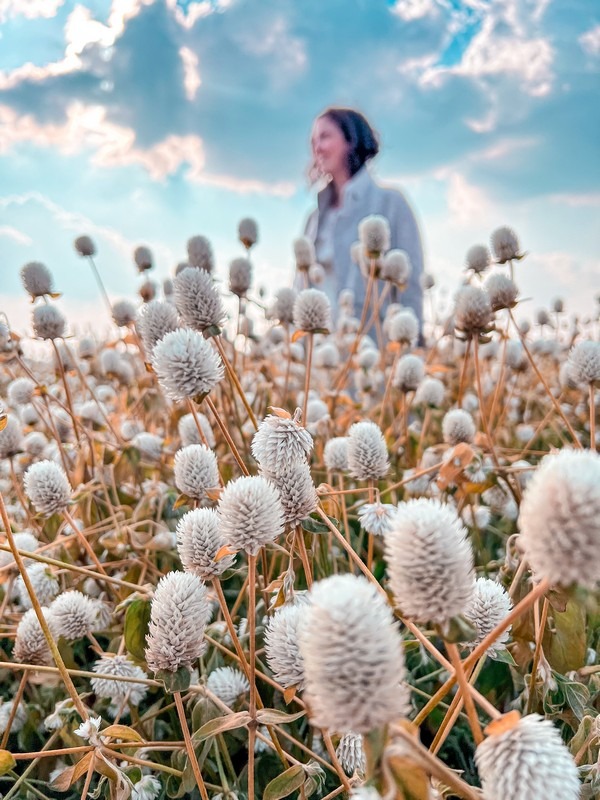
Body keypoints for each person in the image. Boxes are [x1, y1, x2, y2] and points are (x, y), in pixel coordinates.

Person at [299, 107, 424, 333]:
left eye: (325, 136)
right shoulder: (314, 218)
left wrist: (411, 342)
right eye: (313, 141)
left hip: (373, 344)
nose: (317, 147)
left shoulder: (391, 203)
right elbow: (301, 285)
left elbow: (411, 281)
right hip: (316, 350)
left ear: (351, 140)